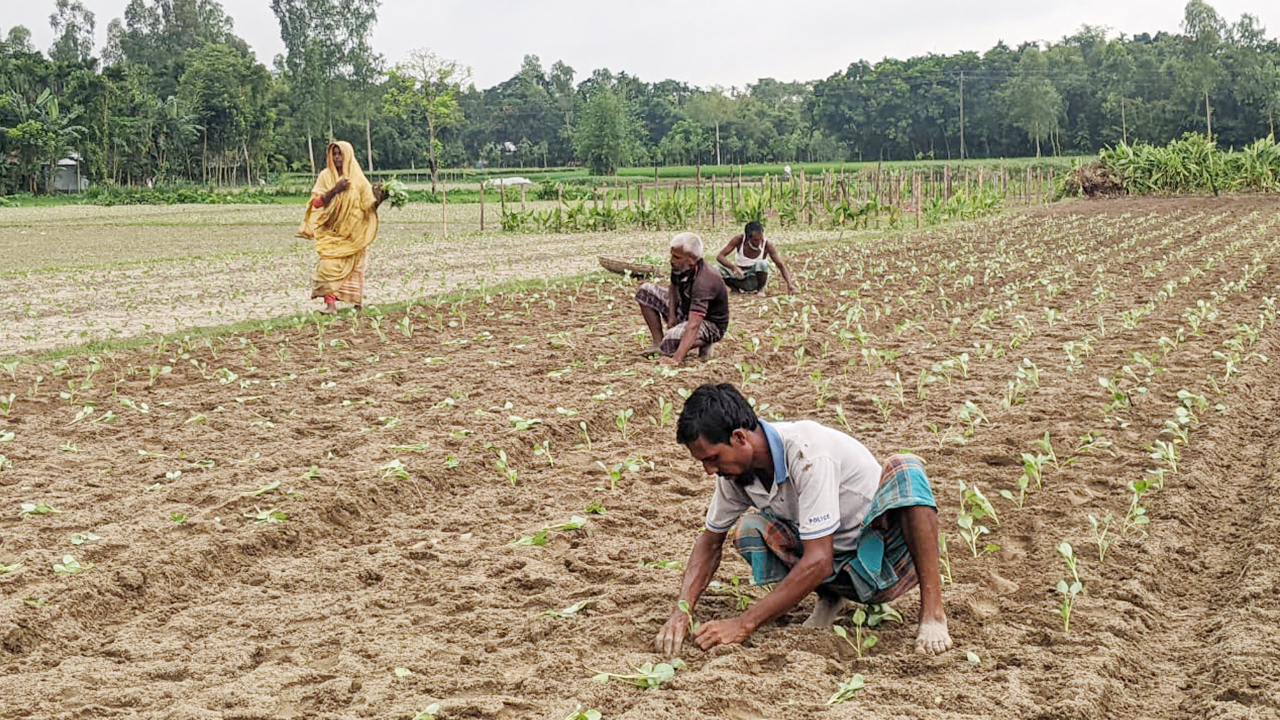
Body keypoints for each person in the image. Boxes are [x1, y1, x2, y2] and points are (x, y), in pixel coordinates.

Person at [655, 383, 952, 656]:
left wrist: (743, 624)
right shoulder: (735, 475)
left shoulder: (808, 452)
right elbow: (709, 544)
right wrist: (682, 611)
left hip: (888, 559)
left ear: (740, 437)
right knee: (750, 530)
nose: (709, 470)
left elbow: (819, 560)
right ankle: (830, 599)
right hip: (836, 567)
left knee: (905, 468)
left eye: (713, 458)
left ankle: (933, 613)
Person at [297, 140, 388, 314]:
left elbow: (368, 205)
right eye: (334, 154)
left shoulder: (359, 179)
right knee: (327, 265)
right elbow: (317, 203)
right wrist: (335, 190)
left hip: (355, 233)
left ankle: (357, 305)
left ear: (348, 155)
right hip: (333, 232)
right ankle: (330, 306)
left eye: (340, 154)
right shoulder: (325, 176)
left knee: (357, 268)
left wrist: (380, 199)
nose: (337, 157)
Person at [635, 232, 730, 366]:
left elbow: (694, 324)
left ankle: (705, 341)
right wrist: (672, 315)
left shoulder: (704, 281)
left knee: (670, 341)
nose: (671, 260)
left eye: (676, 257)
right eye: (672, 255)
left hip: (708, 323)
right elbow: (673, 287)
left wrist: (676, 359)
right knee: (645, 291)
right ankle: (657, 343)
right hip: (686, 310)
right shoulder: (680, 267)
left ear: (691, 259)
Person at [715, 221, 797, 296]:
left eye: (760, 238)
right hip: (738, 276)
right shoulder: (739, 240)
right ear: (748, 238)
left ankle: (760, 289)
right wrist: (734, 268)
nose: (758, 242)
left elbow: (780, 265)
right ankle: (735, 288)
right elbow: (720, 256)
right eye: (755, 240)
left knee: (762, 264)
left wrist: (790, 284)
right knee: (715, 269)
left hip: (753, 278)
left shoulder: (767, 245)